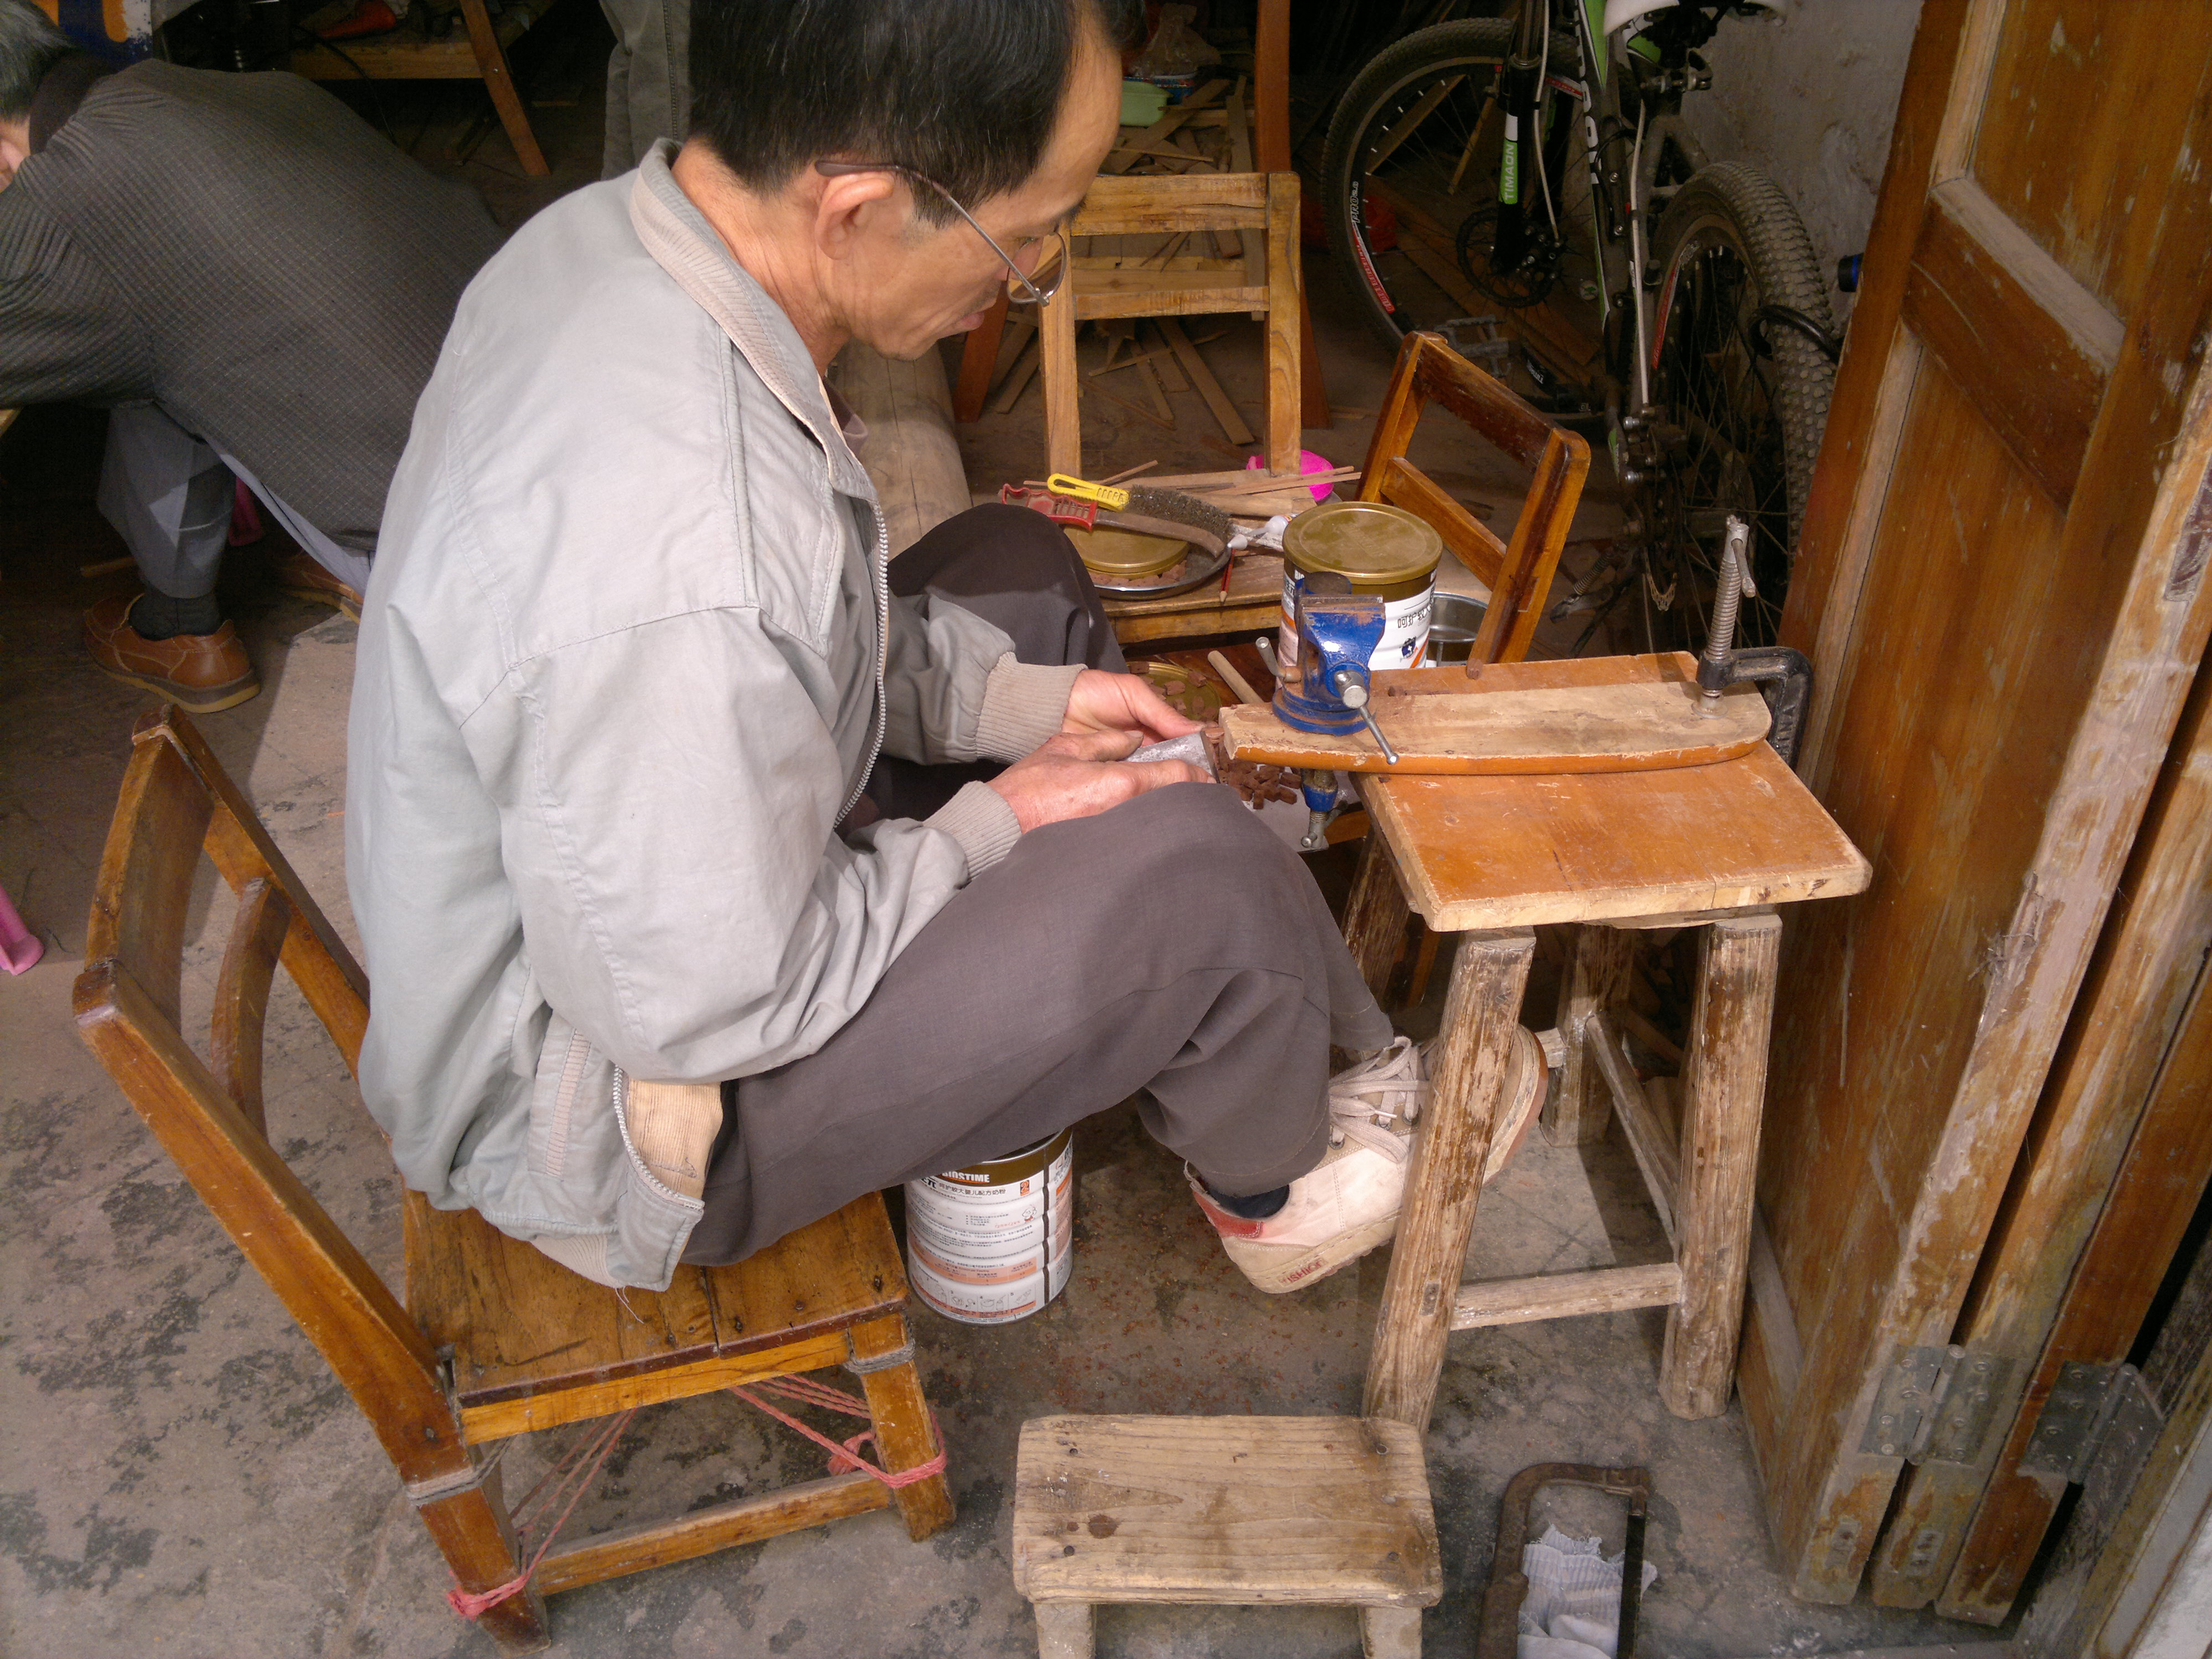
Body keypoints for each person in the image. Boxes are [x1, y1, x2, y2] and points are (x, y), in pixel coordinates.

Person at [347, 0, 1546, 1297]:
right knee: (1200, 877)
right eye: (1023, 237)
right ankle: (1277, 1183)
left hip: (662, 888)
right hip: (626, 1110)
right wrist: (991, 826)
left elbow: (803, 625)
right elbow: (704, 1004)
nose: (1029, 275)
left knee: (1016, 567)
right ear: (856, 208)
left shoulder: (611, 239)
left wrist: (1029, 709)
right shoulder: (679, 558)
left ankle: (1252, 1024)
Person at [0, 0, 502, 712]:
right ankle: (270, 567)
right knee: (167, 321)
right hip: (559, 440)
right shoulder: (247, 92)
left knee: (140, 338)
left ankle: (180, 627)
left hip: (478, 573)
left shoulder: (71, 197)